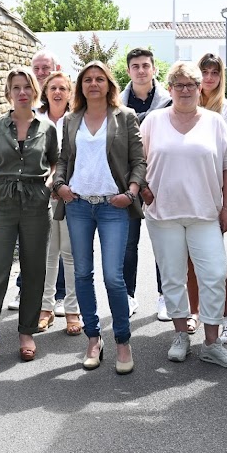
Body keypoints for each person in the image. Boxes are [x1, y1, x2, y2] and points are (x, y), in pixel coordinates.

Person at [141, 61, 227, 369]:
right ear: (169, 89)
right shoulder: (154, 121)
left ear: (201, 88)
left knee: (213, 274)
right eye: (178, 85)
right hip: (163, 213)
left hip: (205, 213)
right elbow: (137, 161)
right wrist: (143, 190)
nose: (185, 90)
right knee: (173, 277)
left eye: (191, 84)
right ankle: (181, 334)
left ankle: (212, 343)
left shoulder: (215, 122)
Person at [0, 68, 58, 372]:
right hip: (2, 203)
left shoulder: (47, 128)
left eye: (27, 87)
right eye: (15, 88)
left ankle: (26, 332)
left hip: (36, 202)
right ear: (8, 94)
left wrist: (49, 184)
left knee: (34, 269)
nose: (22, 92)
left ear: (35, 92)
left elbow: (56, 163)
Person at [54, 61, 144, 374]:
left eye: (100, 79)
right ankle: (93, 339)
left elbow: (138, 162)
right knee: (81, 275)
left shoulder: (126, 116)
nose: (94, 84)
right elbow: (63, 159)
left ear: (109, 84)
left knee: (113, 277)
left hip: (113, 206)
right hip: (77, 204)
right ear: (81, 86)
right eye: (88, 79)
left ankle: (122, 340)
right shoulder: (71, 118)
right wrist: (60, 185)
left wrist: (131, 193)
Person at [184, 53, 227, 347]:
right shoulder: (185, 104)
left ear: (221, 76)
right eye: (203, 71)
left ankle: (226, 317)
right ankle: (194, 311)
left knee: (216, 262)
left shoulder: (226, 111)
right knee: (191, 260)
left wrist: (226, 204)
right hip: (187, 195)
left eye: (214, 72)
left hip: (213, 194)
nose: (208, 77)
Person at [9, 49, 67, 313]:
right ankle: (29, 292)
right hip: (35, 192)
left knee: (64, 249)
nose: (42, 73)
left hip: (65, 190)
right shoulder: (31, 113)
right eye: (38, 69)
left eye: (46, 68)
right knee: (37, 246)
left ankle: (62, 298)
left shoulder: (74, 115)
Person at [119, 47, 172, 321]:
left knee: (163, 241)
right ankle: (128, 295)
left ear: (154, 69)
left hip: (160, 181)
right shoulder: (116, 104)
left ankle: (165, 296)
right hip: (128, 184)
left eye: (145, 65)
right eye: (135, 66)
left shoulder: (168, 102)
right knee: (128, 244)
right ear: (128, 71)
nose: (141, 70)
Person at [36, 71, 82, 336]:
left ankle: (73, 310)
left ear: (69, 92)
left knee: (69, 253)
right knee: (48, 253)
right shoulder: (35, 119)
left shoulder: (76, 119)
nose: (57, 92)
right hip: (41, 195)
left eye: (62, 88)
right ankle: (46, 308)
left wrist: (60, 184)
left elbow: (74, 157)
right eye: (53, 87)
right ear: (46, 91)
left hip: (69, 193)